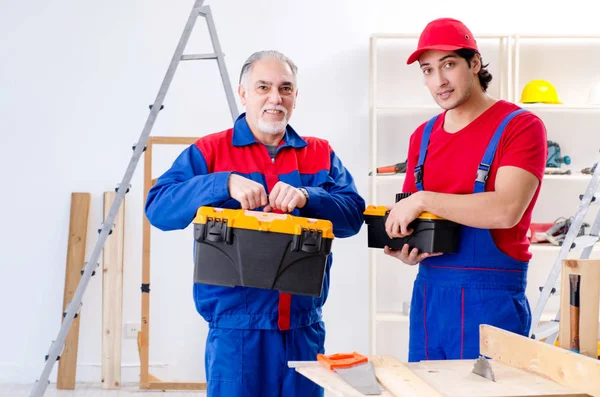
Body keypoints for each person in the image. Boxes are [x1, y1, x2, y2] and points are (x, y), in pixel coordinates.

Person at [144, 50, 365, 396]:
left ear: (295, 97)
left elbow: (353, 217)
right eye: (263, 87)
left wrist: (310, 197)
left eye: (285, 88)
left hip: (302, 330)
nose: (275, 98)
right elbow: (158, 208)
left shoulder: (320, 154)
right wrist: (222, 183)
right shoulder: (211, 151)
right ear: (243, 93)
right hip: (236, 335)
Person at [383, 18, 547, 362]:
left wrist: (424, 199)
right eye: (428, 70)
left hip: (491, 306)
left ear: (474, 63)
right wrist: (406, 247)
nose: (439, 81)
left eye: (449, 65)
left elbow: (505, 210)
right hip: (429, 300)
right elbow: (416, 215)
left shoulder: (519, 127)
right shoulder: (422, 138)